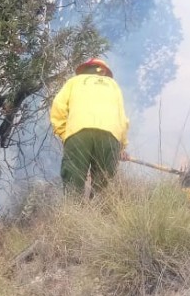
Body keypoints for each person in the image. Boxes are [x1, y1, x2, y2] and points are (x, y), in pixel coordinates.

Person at [50, 58, 130, 196]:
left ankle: (74, 214)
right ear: (104, 71)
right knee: (103, 183)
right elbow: (122, 118)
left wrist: (65, 135)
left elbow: (58, 108)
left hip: (78, 133)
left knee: (73, 179)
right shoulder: (113, 85)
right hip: (110, 135)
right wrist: (122, 146)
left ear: (84, 69)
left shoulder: (74, 82)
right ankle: (97, 213)